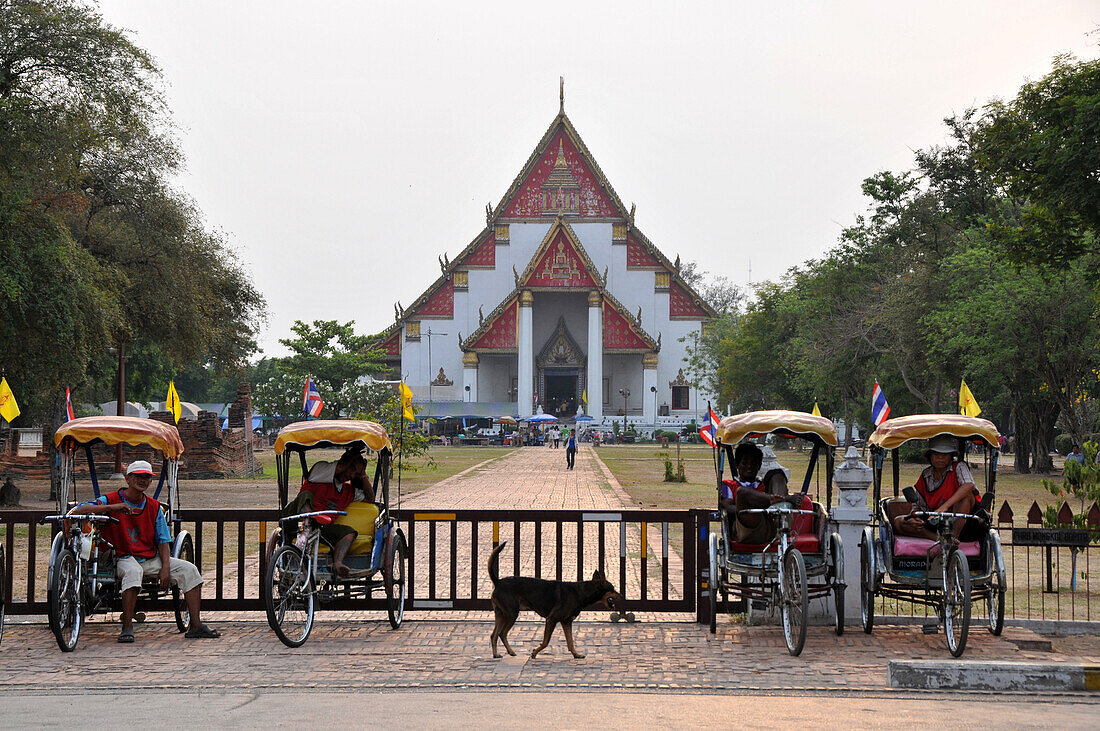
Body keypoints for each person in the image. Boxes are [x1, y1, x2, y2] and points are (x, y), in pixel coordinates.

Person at [72, 460, 218, 643]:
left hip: (149, 557)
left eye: (147, 477)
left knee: (190, 570)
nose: (143, 480)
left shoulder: (154, 507)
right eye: (138, 476)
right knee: (133, 572)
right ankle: (127, 626)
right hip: (121, 556)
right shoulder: (110, 500)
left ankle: (196, 625)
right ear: (128, 479)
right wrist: (111, 509)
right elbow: (79, 509)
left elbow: (164, 541)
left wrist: (165, 567)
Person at [282, 446, 372, 578]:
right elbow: (340, 468)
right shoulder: (320, 471)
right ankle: (304, 532)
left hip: (320, 527)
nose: (351, 475)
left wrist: (363, 475)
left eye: (355, 474)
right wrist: (351, 456)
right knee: (306, 495)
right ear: (344, 462)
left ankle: (338, 563)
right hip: (296, 519)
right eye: (352, 469)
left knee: (349, 532)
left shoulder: (349, 491)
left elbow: (370, 498)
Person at [892, 434, 985, 541]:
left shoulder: (959, 466)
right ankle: (941, 539)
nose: (940, 457)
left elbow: (969, 485)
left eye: (944, 454)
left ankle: (952, 538)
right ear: (930, 456)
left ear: (951, 456)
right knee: (898, 521)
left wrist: (943, 507)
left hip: (964, 524)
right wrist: (915, 518)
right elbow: (918, 505)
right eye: (936, 454)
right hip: (935, 522)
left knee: (965, 495)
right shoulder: (926, 475)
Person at [719, 443, 796, 544]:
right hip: (745, 529)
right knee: (742, 492)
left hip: (771, 526)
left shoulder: (764, 485)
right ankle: (779, 499)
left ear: (759, 466)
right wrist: (753, 505)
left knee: (776, 473)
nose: (749, 466)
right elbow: (728, 508)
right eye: (745, 463)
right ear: (737, 464)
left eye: (753, 463)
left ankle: (781, 508)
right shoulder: (728, 485)